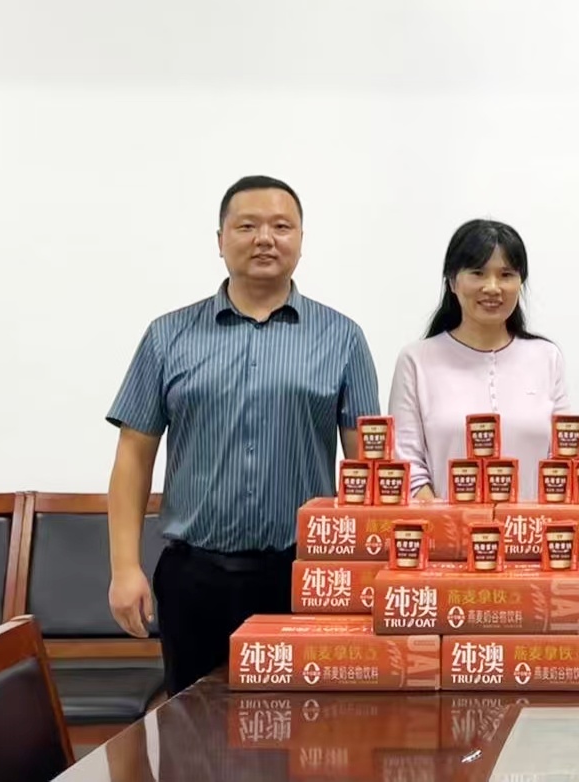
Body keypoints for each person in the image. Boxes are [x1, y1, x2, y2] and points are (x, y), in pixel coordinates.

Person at [105, 175, 381, 696]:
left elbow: (368, 467)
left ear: (301, 239)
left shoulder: (342, 338)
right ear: (220, 240)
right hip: (194, 577)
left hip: (302, 576)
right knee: (193, 727)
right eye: (247, 226)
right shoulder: (168, 336)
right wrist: (124, 568)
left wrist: (368, 574)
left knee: (304, 728)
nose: (265, 239)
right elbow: (133, 458)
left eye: (281, 226)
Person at [387, 218, 569, 500]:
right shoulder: (416, 360)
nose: (493, 287)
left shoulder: (547, 357)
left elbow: (563, 458)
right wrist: (449, 523)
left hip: (530, 527)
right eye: (478, 273)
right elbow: (407, 466)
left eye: (506, 275)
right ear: (452, 281)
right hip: (442, 527)